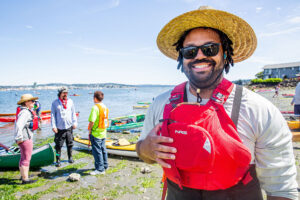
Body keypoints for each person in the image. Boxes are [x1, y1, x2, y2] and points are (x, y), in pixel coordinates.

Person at [137, 6, 298, 200]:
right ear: (181, 57)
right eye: (189, 51)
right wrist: (146, 148)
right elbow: (143, 152)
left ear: (225, 53)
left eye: (209, 49)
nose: (199, 56)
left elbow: (281, 189)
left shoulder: (259, 110)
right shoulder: (161, 104)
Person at [15, 94, 39, 184]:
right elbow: (18, 125)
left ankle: (23, 175)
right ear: (26, 102)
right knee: (26, 158)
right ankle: (25, 179)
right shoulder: (25, 113)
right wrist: (19, 137)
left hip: (23, 138)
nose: (34, 102)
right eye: (32, 101)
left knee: (23, 157)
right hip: (25, 138)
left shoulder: (23, 111)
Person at [51, 87, 77, 167]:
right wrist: (53, 126)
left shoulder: (70, 101)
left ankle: (70, 157)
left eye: (66, 93)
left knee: (70, 144)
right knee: (58, 145)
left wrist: (75, 122)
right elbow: (52, 115)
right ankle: (58, 160)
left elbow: (73, 113)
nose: (65, 94)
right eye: (64, 93)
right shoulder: (55, 103)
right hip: (59, 128)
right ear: (60, 93)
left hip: (69, 127)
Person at [88, 91, 109, 175]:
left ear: (95, 98)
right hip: (103, 132)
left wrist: (89, 130)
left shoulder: (95, 107)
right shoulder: (104, 106)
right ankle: (105, 165)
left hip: (96, 133)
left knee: (97, 151)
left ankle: (100, 169)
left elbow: (92, 121)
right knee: (103, 150)